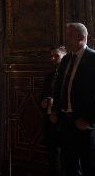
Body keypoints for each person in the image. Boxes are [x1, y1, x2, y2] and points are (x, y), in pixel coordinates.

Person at [54, 23, 95, 176]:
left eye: (70, 35)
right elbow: (59, 87)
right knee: (68, 165)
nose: (66, 39)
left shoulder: (93, 58)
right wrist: (56, 111)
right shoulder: (65, 60)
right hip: (66, 122)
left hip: (85, 124)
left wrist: (89, 120)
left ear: (82, 37)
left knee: (88, 165)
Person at [40, 46, 66, 176]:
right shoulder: (49, 76)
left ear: (64, 57)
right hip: (48, 119)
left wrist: (56, 108)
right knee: (51, 151)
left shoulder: (67, 76)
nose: (53, 58)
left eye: (56, 56)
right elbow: (42, 95)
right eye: (51, 56)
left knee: (63, 153)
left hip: (62, 120)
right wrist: (43, 102)